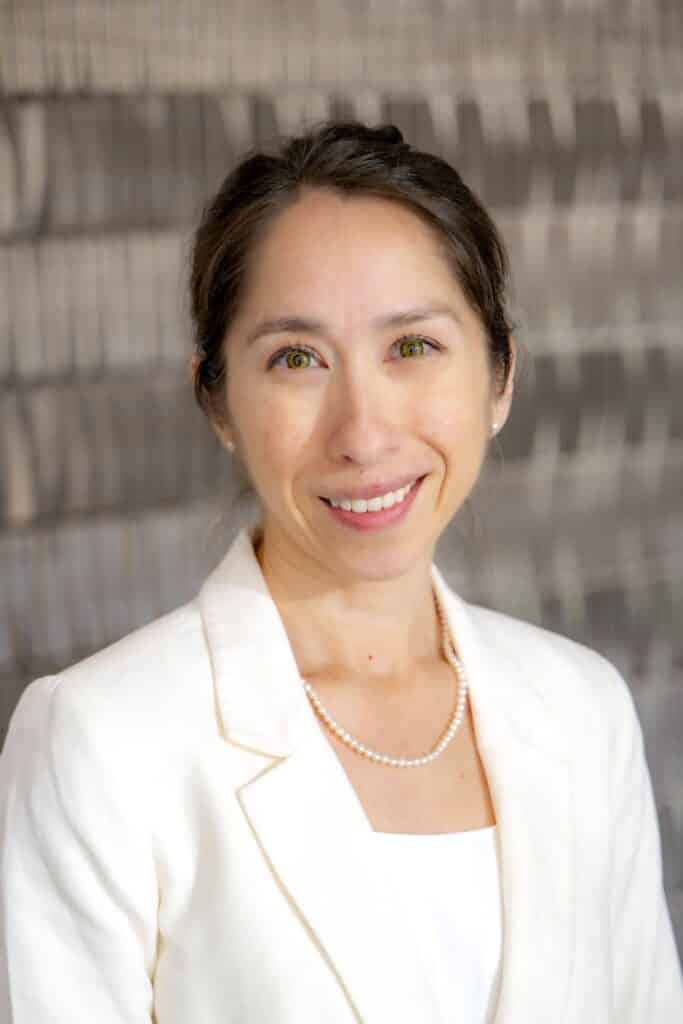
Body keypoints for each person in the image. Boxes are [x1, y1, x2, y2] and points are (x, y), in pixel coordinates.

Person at [0, 121, 681, 1023]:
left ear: (500, 375)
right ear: (217, 399)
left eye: (412, 347)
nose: (361, 433)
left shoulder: (582, 710)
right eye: (296, 359)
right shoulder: (100, 743)